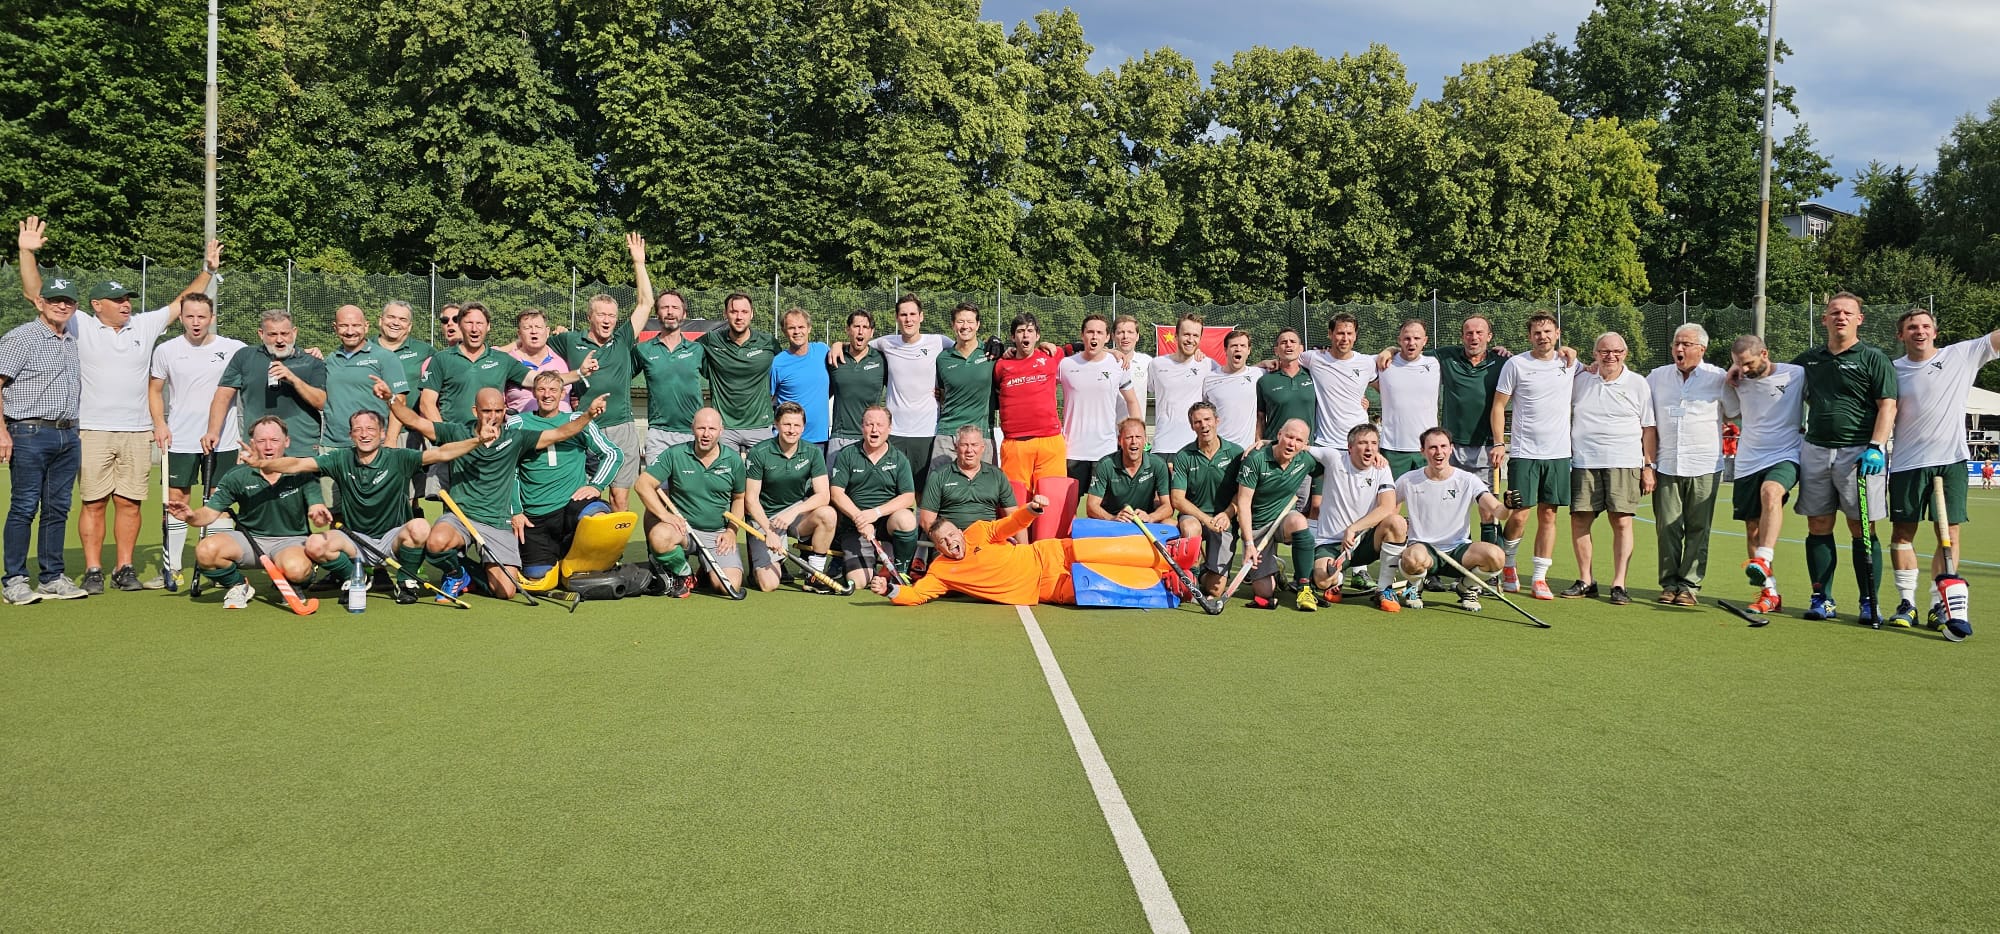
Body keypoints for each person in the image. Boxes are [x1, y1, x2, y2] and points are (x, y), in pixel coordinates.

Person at [18, 219, 222, 593]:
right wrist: (26, 252)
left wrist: (207, 271)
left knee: (130, 503)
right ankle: (94, 569)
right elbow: (37, 294)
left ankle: (124, 568)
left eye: (127, 299)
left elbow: (182, 303)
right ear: (97, 306)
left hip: (138, 431)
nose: (126, 304)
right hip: (91, 430)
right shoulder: (79, 323)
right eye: (117, 300)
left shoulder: (143, 325)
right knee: (94, 503)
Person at [241, 409, 491, 603]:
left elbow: (442, 453)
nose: (364, 434)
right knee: (315, 543)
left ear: (382, 434)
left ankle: (406, 582)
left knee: (420, 527)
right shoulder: (340, 458)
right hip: (356, 540)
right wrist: (262, 464)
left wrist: (477, 441)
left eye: (370, 429)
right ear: (351, 435)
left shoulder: (399, 457)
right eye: (358, 429)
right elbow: (298, 465)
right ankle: (355, 578)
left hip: (394, 539)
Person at [388, 387, 590, 601]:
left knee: (506, 591)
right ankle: (455, 573)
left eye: (498, 411)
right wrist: (390, 399)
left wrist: (588, 415)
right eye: (486, 411)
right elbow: (415, 421)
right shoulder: (457, 432)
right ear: (475, 411)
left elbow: (560, 433)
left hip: (497, 522)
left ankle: (469, 574)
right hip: (461, 517)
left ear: (505, 410)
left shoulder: (516, 438)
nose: (493, 416)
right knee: (436, 542)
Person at [1886, 307, 1998, 630]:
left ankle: (1940, 604)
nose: (1919, 331)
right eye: (1912, 327)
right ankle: (1907, 603)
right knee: (1902, 533)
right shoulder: (1892, 369)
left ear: (1935, 332)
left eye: (1925, 326)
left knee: (1948, 533)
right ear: (1901, 335)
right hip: (1907, 463)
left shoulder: (1961, 355)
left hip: (1951, 461)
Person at [1792, 292, 1898, 625]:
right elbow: (1775, 381)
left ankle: (1869, 601)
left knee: (1861, 527)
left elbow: (1888, 405)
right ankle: (1822, 598)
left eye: (1848, 313)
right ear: (1824, 319)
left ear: (1859, 320)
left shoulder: (1873, 358)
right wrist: (1741, 370)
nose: (1841, 317)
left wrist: (1876, 446)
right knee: (1818, 525)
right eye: (1834, 312)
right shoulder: (1808, 360)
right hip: (1816, 449)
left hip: (1859, 453)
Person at [1, 219, 89, 603]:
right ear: (40, 302)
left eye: (67, 301)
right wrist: (2, 432)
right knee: (24, 507)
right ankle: (15, 580)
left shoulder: (71, 337)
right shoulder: (20, 338)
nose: (62, 306)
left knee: (57, 508)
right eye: (54, 300)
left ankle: (52, 576)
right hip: (28, 432)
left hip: (68, 434)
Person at [872, 496, 1173, 607]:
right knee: (1102, 581)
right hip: (1045, 587)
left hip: (1048, 554)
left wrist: (1031, 509)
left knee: (1099, 549)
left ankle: (1166, 554)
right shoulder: (940, 571)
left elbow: (1010, 524)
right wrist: (889, 590)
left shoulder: (978, 530)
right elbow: (917, 595)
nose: (950, 543)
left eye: (952, 535)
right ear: (938, 548)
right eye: (943, 542)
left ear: (960, 532)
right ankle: (1166, 584)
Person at [165, 416, 327, 610]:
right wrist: (191, 517)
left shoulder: (302, 473)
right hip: (250, 541)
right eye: (261, 441)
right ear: (252, 444)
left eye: (274, 440)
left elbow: (317, 507)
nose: (268, 447)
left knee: (297, 570)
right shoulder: (237, 475)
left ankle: (293, 583)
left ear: (287, 442)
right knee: (206, 550)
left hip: (290, 541)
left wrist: (318, 514)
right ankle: (238, 584)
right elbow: (209, 513)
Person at [150, 292, 247, 589]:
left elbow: (267, 360)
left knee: (219, 502)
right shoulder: (166, 350)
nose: (195, 322)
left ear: (212, 318)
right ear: (181, 318)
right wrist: (160, 424)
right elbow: (154, 391)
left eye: (202, 316)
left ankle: (218, 564)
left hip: (224, 440)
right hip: (180, 439)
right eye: (190, 316)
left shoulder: (234, 348)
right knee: (176, 502)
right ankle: (173, 568)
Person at [557, 237, 653, 508]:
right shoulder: (569, 341)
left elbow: (646, 304)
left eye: (612, 315)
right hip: (585, 427)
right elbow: (534, 346)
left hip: (621, 427)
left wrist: (639, 262)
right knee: (585, 496)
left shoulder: (622, 339)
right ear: (590, 317)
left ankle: (617, 538)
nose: (608, 320)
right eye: (601, 315)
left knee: (619, 497)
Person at [1564, 333, 1655, 605]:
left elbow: (1648, 428)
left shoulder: (1638, 383)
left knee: (1622, 521)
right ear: (1595, 354)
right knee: (1579, 520)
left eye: (1617, 351)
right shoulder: (1581, 379)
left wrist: (1648, 466)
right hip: (1584, 461)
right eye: (1604, 351)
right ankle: (1586, 580)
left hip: (1624, 461)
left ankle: (1619, 584)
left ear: (1625, 354)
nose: (1610, 356)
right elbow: (1557, 360)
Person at [1489, 312, 1574, 599]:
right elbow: (1499, 406)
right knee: (1519, 514)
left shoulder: (1569, 363)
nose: (1543, 337)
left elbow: (1596, 369)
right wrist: (1499, 443)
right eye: (1537, 333)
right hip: (1524, 453)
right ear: (1529, 336)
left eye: (1548, 332)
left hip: (1559, 454)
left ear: (1557, 333)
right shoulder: (1516, 364)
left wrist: (1573, 353)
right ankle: (1509, 565)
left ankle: (1539, 578)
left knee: (1549, 514)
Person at [1721, 335, 1806, 617]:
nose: (1744, 369)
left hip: (1785, 454)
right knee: (1752, 528)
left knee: (1771, 492)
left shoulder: (1796, 374)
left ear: (1765, 354)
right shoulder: (1736, 381)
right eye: (1738, 364)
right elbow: (1730, 414)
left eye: (1748, 363)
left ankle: (1763, 558)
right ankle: (1770, 594)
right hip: (1748, 460)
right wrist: (1731, 375)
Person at [512, 372, 619, 586]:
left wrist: (596, 485)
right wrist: (516, 511)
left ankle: (584, 563)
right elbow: (509, 470)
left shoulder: (575, 420)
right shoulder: (518, 423)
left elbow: (612, 454)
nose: (547, 395)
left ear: (562, 394)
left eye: (553, 390)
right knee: (536, 575)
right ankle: (557, 562)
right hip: (535, 513)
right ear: (534, 393)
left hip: (571, 504)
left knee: (597, 517)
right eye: (541, 389)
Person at [1647, 323, 1727, 606]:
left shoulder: (1718, 377)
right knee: (1667, 528)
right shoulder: (1656, 377)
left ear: (1701, 349)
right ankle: (1669, 584)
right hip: (1666, 464)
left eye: (1686, 344)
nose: (1679, 349)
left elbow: (1734, 410)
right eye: (1676, 343)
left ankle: (1689, 587)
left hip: (1704, 464)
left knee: (1698, 529)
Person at [1394, 427, 1517, 612]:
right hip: (1424, 550)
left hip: (1459, 551)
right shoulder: (1408, 480)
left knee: (1496, 556)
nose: (1439, 452)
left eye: (1443, 446)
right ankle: (1415, 587)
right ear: (1422, 451)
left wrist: (1507, 506)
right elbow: (1387, 509)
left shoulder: (1468, 480)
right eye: (1433, 447)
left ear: (1451, 449)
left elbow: (1498, 512)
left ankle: (1467, 587)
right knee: (1412, 559)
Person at [635, 407, 745, 598]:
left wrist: (731, 531)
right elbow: (642, 485)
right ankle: (684, 573)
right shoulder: (675, 454)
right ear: (692, 428)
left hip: (717, 535)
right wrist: (665, 515)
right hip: (683, 530)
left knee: (729, 586)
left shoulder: (733, 460)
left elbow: (739, 498)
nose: (706, 434)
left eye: (712, 429)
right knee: (660, 536)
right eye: (701, 428)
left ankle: (706, 569)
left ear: (721, 430)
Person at [1308, 423, 1407, 613]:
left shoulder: (1382, 468)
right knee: (1322, 580)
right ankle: (1336, 579)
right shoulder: (1333, 458)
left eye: (1374, 443)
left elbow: (1387, 506)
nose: (1369, 448)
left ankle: (1384, 589)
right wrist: (1264, 443)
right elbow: (1300, 447)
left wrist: (1353, 528)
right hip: (1331, 543)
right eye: (1362, 443)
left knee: (1397, 522)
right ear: (1350, 447)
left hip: (1364, 541)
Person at [207, 309, 327, 460]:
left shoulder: (311, 361)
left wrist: (294, 380)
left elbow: (321, 402)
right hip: (257, 449)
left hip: (300, 449)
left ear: (294, 332)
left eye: (284, 333)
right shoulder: (245, 357)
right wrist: (213, 431)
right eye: (272, 334)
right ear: (261, 334)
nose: (279, 340)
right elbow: (222, 397)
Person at [743, 403, 837, 592]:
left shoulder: (812, 452)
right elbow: (750, 500)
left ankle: (814, 576)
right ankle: (761, 565)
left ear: (803, 427)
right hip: (765, 517)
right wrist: (769, 532)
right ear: (776, 424)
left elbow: (823, 495)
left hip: (795, 515)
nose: (792, 430)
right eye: (787, 424)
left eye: (796, 425)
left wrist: (793, 512)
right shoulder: (759, 452)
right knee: (769, 585)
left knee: (828, 514)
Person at [1232, 418, 1323, 611]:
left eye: (1299, 440)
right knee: (1265, 592)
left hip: (1283, 520)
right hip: (1258, 527)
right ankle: (1276, 569)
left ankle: (1304, 586)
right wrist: (1248, 544)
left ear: (1305, 444)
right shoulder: (1256, 458)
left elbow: (1338, 462)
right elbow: (1244, 503)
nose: (1292, 444)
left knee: (1298, 521)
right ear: (1279, 434)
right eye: (1289, 437)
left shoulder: (1305, 459)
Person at [829, 406, 919, 588]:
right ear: (862, 427)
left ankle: (900, 571)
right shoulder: (847, 454)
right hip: (856, 526)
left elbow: (908, 496)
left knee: (906, 519)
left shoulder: (899, 458)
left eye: (880, 425)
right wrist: (860, 518)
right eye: (869, 424)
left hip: (887, 523)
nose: (874, 429)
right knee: (859, 582)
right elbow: (836, 492)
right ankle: (861, 565)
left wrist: (876, 513)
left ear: (889, 428)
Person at [1170, 401, 1244, 600]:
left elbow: (1242, 493)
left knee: (1215, 589)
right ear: (1192, 426)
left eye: (1207, 419)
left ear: (1217, 421)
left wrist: (1228, 514)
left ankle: (1203, 572)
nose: (1203, 425)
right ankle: (1191, 583)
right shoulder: (1184, 455)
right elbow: (1177, 499)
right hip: (1195, 516)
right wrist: (1205, 519)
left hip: (1223, 520)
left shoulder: (1236, 453)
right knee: (1191, 527)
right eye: (1197, 422)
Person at [419, 302, 532, 427]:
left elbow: (536, 379)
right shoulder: (441, 359)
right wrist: (445, 433)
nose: (474, 329)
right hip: (455, 436)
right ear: (460, 325)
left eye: (479, 323)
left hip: (491, 434)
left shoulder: (503, 360)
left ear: (488, 326)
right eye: (469, 323)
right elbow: (426, 403)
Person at [1059, 314, 1140, 487]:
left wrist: (1138, 433)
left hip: (1105, 451)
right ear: (1082, 335)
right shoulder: (1065, 365)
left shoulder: (1118, 364)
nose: (1094, 336)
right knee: (1069, 503)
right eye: (1090, 332)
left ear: (1107, 337)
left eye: (1099, 332)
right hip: (1071, 451)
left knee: (1105, 503)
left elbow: (1132, 401)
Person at [698, 292, 781, 455]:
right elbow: (685, 354)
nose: (739, 317)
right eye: (733, 311)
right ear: (725, 314)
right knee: (723, 471)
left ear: (752, 314)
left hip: (760, 425)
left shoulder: (769, 342)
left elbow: (786, 367)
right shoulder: (710, 340)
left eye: (744, 312)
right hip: (724, 427)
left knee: (766, 471)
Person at [992, 312, 1068, 489]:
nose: (1025, 335)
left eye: (1030, 331)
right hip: (1015, 443)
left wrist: (1114, 351)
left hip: (1049, 440)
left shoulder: (1050, 356)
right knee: (1016, 500)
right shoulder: (1001, 365)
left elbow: (1085, 350)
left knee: (1051, 497)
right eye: (1020, 331)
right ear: (1013, 337)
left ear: (1037, 336)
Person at [320, 304, 411, 451]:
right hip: (333, 445)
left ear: (366, 326)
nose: (350, 331)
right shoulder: (330, 360)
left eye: (356, 325)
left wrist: (390, 440)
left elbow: (399, 401)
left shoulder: (385, 357)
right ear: (335, 328)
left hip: (374, 444)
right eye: (344, 326)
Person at [632, 285, 705, 465]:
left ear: (684, 314)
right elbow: (619, 378)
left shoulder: (698, 350)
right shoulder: (643, 350)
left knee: (689, 483)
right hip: (658, 433)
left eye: (675, 308)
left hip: (692, 432)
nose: (670, 312)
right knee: (652, 482)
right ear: (657, 314)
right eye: (665, 307)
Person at [920, 425, 1020, 541]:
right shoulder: (939, 475)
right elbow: (926, 521)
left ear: (982, 448)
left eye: (974, 445)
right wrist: (946, 542)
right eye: (964, 445)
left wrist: (1024, 549)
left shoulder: (997, 475)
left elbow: (1015, 517)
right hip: (953, 544)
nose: (969, 450)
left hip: (988, 542)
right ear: (956, 447)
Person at [933, 302, 998, 472]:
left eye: (970, 321)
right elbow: (942, 394)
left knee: (984, 487)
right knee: (939, 485)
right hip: (948, 434)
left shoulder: (991, 354)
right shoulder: (943, 359)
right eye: (960, 321)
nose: (965, 326)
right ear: (953, 325)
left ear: (978, 325)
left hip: (981, 435)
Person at [1298, 313, 1378, 447]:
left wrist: (1391, 349)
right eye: (1340, 333)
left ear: (1355, 335)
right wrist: (1265, 364)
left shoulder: (1367, 363)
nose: (1345, 338)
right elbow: (1288, 359)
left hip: (1359, 442)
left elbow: (1384, 387)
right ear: (1330, 334)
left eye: (1349, 333)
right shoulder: (1314, 358)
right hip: (1326, 443)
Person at [1373, 320, 1441, 477]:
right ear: (1399, 340)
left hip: (1427, 448)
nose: (1411, 343)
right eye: (1407, 338)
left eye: (1417, 338)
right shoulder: (1382, 362)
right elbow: (1349, 363)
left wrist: (1497, 352)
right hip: (1392, 449)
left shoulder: (1435, 363)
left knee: (1428, 493)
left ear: (1425, 341)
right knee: (1391, 493)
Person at [826, 309, 887, 463]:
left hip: (871, 437)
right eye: (856, 326)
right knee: (833, 479)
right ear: (848, 329)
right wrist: (837, 345)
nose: (860, 331)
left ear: (871, 332)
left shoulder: (881, 359)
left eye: (865, 327)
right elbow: (822, 393)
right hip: (840, 437)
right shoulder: (834, 358)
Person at [1085, 418, 1173, 523]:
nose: (1134, 442)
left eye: (1138, 437)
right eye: (1129, 437)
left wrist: (1150, 517)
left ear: (1145, 440)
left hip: (1145, 520)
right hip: (1113, 521)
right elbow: (1091, 506)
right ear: (1119, 440)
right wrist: (1113, 518)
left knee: (1170, 523)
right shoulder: (1105, 465)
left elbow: (1168, 507)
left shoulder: (1158, 464)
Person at [770, 308, 832, 455]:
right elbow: (768, 399)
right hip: (789, 440)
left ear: (809, 328)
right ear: (784, 331)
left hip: (819, 439)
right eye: (791, 328)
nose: (797, 332)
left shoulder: (823, 351)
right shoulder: (777, 363)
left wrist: (839, 344)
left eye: (801, 327)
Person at [1148, 315, 1212, 455]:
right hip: (1163, 447)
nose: (1190, 339)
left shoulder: (1207, 364)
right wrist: (1109, 351)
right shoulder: (1156, 364)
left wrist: (1260, 366)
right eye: (1186, 334)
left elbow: (1233, 374)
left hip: (1195, 448)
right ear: (1176, 336)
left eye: (1195, 335)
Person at [374, 300, 434, 446]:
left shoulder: (424, 351)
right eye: (391, 317)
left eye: (402, 319)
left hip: (409, 433)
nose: (396, 323)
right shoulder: (364, 348)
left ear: (409, 326)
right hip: (367, 430)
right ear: (381, 320)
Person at [498, 309, 576, 414]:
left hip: (564, 422)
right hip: (524, 423)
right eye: (527, 328)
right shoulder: (507, 361)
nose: (534, 331)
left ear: (547, 331)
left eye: (538, 327)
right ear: (519, 333)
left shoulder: (562, 355)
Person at [1256, 328, 1317, 445]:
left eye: (1293, 341)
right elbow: (1260, 418)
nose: (1288, 345)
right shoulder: (1264, 380)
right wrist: (1258, 444)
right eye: (1284, 342)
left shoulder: (1314, 376)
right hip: (1274, 447)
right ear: (1276, 350)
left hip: (1306, 448)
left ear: (1301, 348)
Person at [1204, 331, 1262, 450]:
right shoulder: (1209, 379)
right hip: (1217, 450)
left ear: (1249, 350)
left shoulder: (1259, 374)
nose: (1238, 349)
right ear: (1225, 350)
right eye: (1234, 345)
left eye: (1243, 346)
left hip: (1246, 450)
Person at [1111, 315, 1152, 425]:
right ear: (1113, 336)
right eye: (1120, 332)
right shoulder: (1104, 360)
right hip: (1108, 432)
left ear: (1137, 336)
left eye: (1130, 332)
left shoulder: (1147, 362)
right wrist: (1110, 351)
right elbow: (1087, 350)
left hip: (1135, 431)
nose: (1125, 336)